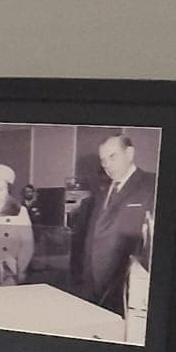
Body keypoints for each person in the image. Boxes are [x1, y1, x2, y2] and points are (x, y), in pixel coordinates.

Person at [73, 131, 155, 314]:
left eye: (112, 156)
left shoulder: (151, 185)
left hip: (124, 287)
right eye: (103, 160)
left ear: (130, 153)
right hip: (92, 288)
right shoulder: (101, 191)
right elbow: (92, 238)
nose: (107, 165)